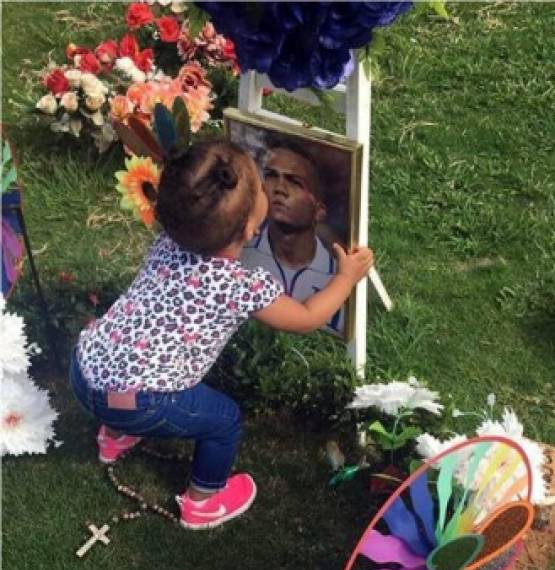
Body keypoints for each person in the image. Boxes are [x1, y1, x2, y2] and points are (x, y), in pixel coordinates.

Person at [69, 140, 373, 531]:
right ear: (250, 228)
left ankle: (113, 438)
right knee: (224, 420)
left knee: (127, 379)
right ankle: (202, 501)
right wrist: (345, 277)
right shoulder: (240, 285)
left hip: (85, 368)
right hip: (140, 401)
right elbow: (306, 318)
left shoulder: (167, 243)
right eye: (263, 183)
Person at [241, 140, 344, 334]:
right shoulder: (237, 256)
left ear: (319, 211)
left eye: (295, 182)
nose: (279, 188)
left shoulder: (333, 272)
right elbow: (306, 320)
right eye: (271, 176)